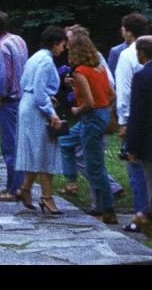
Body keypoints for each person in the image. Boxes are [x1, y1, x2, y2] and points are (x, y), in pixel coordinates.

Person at [58, 25, 124, 208]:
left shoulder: (82, 71)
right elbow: (111, 94)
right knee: (69, 144)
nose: (65, 45)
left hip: (92, 117)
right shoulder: (98, 67)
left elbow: (88, 102)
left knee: (94, 165)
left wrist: (76, 111)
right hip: (101, 114)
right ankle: (78, 186)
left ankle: (106, 207)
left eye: (68, 40)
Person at [15, 26, 67, 214]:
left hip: (29, 104)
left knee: (38, 151)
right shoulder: (45, 60)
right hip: (36, 109)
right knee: (46, 152)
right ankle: (47, 197)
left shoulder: (36, 57)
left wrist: (46, 97)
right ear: (54, 43)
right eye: (62, 45)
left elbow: (29, 85)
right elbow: (38, 89)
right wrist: (51, 112)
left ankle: (26, 189)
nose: (63, 49)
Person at [0, 9, 29, 202]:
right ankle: (16, 185)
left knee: (10, 146)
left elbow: (4, 76)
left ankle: (14, 189)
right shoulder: (18, 40)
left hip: (10, 101)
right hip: (23, 98)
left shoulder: (2, 47)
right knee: (19, 144)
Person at [115, 13, 151, 230]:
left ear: (128, 31)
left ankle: (141, 216)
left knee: (137, 169)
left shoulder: (128, 55)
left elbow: (125, 91)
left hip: (137, 121)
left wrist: (123, 121)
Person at [126, 36, 152, 236]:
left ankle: (145, 215)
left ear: (141, 54)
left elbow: (138, 114)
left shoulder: (142, 76)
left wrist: (132, 147)